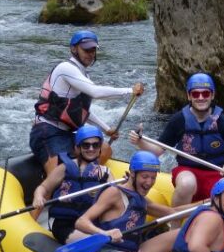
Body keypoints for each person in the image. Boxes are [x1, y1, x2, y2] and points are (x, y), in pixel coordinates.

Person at [30, 29, 145, 176]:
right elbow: (95, 92)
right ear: (73, 49)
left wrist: (106, 129)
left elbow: (81, 111)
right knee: (58, 176)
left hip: (67, 133)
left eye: (93, 50)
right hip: (47, 132)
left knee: (105, 149)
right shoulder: (65, 68)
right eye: (86, 49)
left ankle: (82, 181)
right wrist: (130, 91)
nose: (90, 54)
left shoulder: (83, 74)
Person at [75, 152, 181, 252]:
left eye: (153, 178)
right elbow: (81, 222)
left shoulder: (140, 199)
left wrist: (206, 203)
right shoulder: (114, 193)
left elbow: (174, 213)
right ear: (132, 173)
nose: (149, 182)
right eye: (145, 177)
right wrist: (104, 233)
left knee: (182, 233)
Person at [130, 72, 224, 206]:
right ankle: (175, 225)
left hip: (216, 173)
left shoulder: (222, 121)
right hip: (187, 171)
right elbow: (158, 151)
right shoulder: (179, 120)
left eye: (205, 93)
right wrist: (140, 142)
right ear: (189, 96)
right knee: (187, 183)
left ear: (212, 95)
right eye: (195, 94)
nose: (201, 97)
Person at [32, 125, 112, 244]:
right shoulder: (65, 168)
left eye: (95, 145)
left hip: (90, 223)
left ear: (100, 148)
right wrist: (38, 197)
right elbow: (43, 187)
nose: (91, 149)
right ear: (78, 148)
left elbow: (117, 195)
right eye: (86, 145)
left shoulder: (104, 173)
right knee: (97, 241)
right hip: (65, 224)